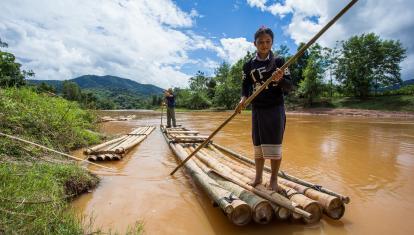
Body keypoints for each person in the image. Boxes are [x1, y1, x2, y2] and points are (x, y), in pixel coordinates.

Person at [236, 26, 292, 191]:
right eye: (261, 42)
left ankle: (274, 180)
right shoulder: (248, 65)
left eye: (268, 42)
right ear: (255, 44)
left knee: (274, 145)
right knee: (258, 145)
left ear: (272, 43)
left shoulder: (280, 62)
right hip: (257, 108)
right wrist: (243, 99)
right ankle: (258, 178)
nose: (264, 45)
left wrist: (281, 79)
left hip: (275, 108)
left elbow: (289, 87)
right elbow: (245, 85)